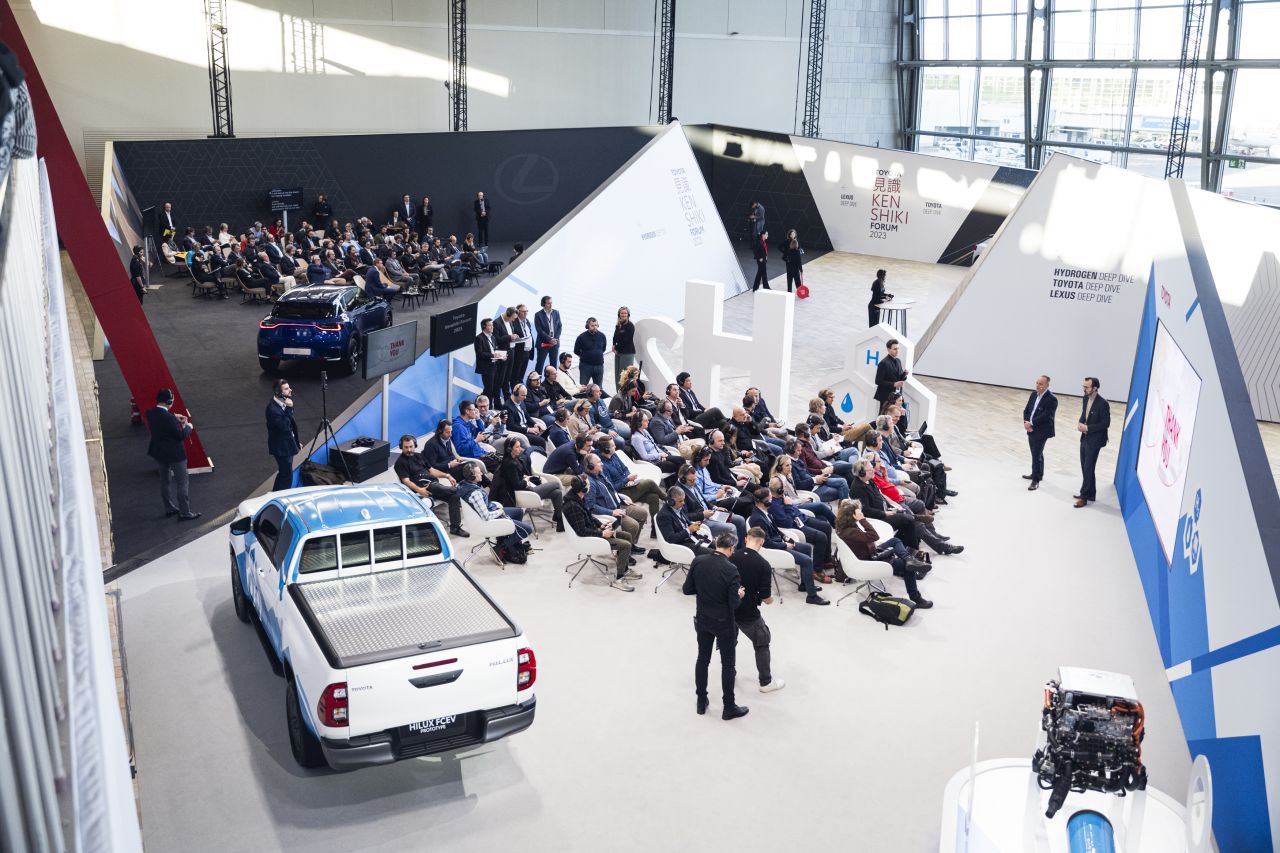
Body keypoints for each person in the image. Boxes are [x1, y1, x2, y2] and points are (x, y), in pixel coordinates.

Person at [683, 532, 750, 720]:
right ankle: (729, 707)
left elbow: (687, 589)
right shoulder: (731, 569)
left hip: (702, 618)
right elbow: (733, 604)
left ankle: (701, 701)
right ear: (731, 548)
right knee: (727, 664)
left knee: (702, 659)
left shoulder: (698, 561)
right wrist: (739, 595)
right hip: (723, 623)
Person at [834, 499, 933, 608]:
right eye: (859, 511)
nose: (861, 513)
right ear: (853, 515)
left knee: (895, 541)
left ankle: (910, 559)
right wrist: (862, 520)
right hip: (870, 560)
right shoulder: (851, 532)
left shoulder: (844, 527)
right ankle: (916, 597)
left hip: (870, 552)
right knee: (907, 567)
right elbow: (874, 536)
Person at [749, 486, 828, 605]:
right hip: (773, 549)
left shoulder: (764, 512)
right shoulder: (757, 519)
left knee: (806, 549)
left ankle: (805, 585)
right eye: (770, 498)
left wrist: (786, 538)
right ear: (765, 501)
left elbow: (776, 530)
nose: (772, 500)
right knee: (806, 561)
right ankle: (812, 597)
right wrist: (784, 545)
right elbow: (767, 543)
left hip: (779, 543)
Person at [563, 476, 637, 591]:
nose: (590, 486)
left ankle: (625, 570)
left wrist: (600, 525)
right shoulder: (573, 506)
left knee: (627, 536)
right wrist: (602, 534)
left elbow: (589, 516)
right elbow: (581, 531)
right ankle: (619, 579)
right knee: (625, 545)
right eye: (588, 485)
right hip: (588, 538)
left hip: (593, 532)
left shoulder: (578, 498)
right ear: (583, 489)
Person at [732, 527, 784, 693]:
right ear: (762, 542)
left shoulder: (732, 556)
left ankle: (729, 673)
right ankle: (766, 682)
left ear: (746, 539)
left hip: (729, 609)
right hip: (748, 612)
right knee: (762, 642)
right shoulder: (763, 565)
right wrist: (772, 599)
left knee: (729, 643)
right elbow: (766, 598)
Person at [394, 434, 470, 538]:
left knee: (454, 497)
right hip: (423, 489)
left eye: (411, 446)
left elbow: (432, 471)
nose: (409, 450)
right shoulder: (400, 463)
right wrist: (419, 490)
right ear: (401, 447)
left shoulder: (419, 456)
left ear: (415, 445)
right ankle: (462, 490)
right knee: (438, 487)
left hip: (434, 485)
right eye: (406, 447)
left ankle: (455, 528)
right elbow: (406, 481)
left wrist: (447, 475)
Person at [457, 462, 531, 564]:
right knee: (527, 530)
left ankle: (505, 539)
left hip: (489, 512)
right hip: (488, 521)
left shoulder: (464, 485)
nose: (481, 474)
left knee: (518, 512)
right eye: (479, 472)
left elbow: (483, 506)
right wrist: (500, 511)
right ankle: (501, 547)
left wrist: (495, 507)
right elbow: (486, 516)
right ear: (472, 476)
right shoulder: (475, 493)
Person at [489, 437, 564, 532]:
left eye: (519, 446)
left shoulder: (514, 459)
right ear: (509, 449)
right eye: (517, 447)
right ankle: (560, 516)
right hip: (524, 492)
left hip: (525, 489)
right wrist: (526, 480)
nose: (520, 449)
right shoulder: (510, 464)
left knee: (557, 493)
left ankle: (560, 521)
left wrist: (525, 478)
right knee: (556, 484)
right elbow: (517, 485)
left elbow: (516, 478)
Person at [146, 388, 198, 521]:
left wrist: (174, 417)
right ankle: (185, 512)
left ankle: (169, 508)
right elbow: (180, 435)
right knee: (182, 482)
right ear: (169, 402)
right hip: (175, 455)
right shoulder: (169, 419)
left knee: (165, 482)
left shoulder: (150, 413)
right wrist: (188, 427)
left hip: (160, 453)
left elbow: (162, 419)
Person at [584, 453, 650, 544]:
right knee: (633, 526)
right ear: (591, 466)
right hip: (610, 511)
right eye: (599, 462)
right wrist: (612, 512)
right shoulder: (590, 483)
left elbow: (611, 490)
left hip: (618, 505)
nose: (602, 464)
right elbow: (590, 506)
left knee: (643, 513)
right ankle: (625, 548)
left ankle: (631, 544)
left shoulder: (600, 474)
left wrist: (622, 499)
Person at [594, 438, 663, 524]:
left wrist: (630, 480)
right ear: (606, 449)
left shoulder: (614, 455)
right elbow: (612, 488)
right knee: (649, 482)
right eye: (613, 445)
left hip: (629, 486)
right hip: (622, 493)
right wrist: (627, 479)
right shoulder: (602, 466)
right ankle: (668, 499)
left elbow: (625, 469)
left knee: (654, 497)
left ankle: (655, 527)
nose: (615, 446)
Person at [1075, 376, 1110, 508]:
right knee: (1085, 466)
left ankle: (1084, 497)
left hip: (1095, 440)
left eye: (1086, 387)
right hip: (1085, 437)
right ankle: (1091, 493)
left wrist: (1088, 428)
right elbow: (1084, 414)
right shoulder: (1085, 398)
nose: (1084, 389)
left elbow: (1106, 423)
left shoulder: (1103, 403)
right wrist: (1080, 423)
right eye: (1083, 386)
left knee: (1088, 467)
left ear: (1095, 388)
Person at [1023, 374, 1057, 490]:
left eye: (1041, 384)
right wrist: (1026, 422)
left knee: (1036, 455)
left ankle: (1035, 480)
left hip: (1042, 431)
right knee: (1036, 453)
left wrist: (1031, 423)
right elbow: (1027, 410)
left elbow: (1046, 416)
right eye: (1037, 383)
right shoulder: (1033, 394)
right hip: (1030, 428)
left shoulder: (1052, 399)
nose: (1038, 385)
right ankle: (1038, 474)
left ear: (1047, 385)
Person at [655, 487, 713, 556]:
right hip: (682, 545)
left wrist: (693, 525)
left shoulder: (678, 507)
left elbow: (683, 521)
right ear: (671, 502)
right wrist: (689, 530)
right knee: (715, 554)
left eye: (683, 500)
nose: (683, 503)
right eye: (680, 501)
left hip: (693, 538)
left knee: (719, 547)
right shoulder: (664, 516)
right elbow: (671, 539)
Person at [265, 379, 300, 492]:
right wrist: (289, 408)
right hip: (281, 448)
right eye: (286, 389)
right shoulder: (273, 410)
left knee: (283, 473)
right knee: (287, 476)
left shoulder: (283, 402)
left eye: (289, 387)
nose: (290, 390)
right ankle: (282, 496)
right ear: (278, 392)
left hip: (287, 443)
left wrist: (295, 442)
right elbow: (284, 427)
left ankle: (275, 493)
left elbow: (290, 426)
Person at [504, 384, 548, 452]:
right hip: (521, 433)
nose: (525, 398)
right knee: (541, 441)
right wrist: (528, 430)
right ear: (515, 394)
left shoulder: (521, 401)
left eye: (525, 395)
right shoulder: (507, 407)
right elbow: (511, 427)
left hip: (527, 427)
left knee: (545, 433)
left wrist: (535, 424)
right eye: (523, 395)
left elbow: (527, 416)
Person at [474, 318, 503, 404]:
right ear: (484, 326)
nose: (492, 327)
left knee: (495, 388)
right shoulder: (479, 338)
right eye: (490, 325)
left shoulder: (493, 337)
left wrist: (501, 356)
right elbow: (480, 353)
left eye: (492, 325)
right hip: (486, 368)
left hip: (495, 366)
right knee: (488, 389)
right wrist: (493, 355)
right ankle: (487, 407)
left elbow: (496, 349)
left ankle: (494, 405)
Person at [574, 317, 607, 390]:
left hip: (599, 366)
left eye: (596, 325)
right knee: (582, 388)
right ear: (587, 326)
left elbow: (603, 349)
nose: (595, 327)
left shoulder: (602, 336)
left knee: (599, 389)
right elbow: (576, 351)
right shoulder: (581, 337)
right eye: (592, 325)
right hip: (585, 366)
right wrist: (585, 356)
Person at [874, 338, 908, 405]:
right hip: (886, 396)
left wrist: (904, 374)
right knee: (885, 412)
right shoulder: (883, 363)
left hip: (897, 396)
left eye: (898, 348)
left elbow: (898, 378)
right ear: (888, 349)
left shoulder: (898, 361)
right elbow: (878, 381)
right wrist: (893, 384)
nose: (897, 351)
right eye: (895, 349)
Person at [534, 295, 562, 374]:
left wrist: (555, 339)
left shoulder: (556, 313)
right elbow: (539, 330)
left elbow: (559, 327)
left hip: (555, 343)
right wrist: (549, 339)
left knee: (554, 365)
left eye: (551, 303)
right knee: (540, 365)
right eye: (548, 303)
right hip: (543, 343)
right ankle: (537, 380)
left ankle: (552, 381)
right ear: (543, 304)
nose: (551, 305)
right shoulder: (538, 315)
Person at [612, 306, 637, 375]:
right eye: (622, 313)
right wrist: (613, 344)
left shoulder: (630, 325)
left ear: (628, 314)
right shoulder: (618, 325)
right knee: (617, 374)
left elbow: (627, 340)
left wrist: (616, 347)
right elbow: (615, 336)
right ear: (619, 314)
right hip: (619, 352)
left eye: (625, 313)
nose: (623, 315)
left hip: (627, 353)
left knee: (624, 376)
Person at [779, 228, 803, 293]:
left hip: (790, 263)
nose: (793, 235)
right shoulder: (788, 242)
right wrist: (801, 269)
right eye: (792, 234)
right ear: (789, 235)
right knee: (796, 278)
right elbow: (799, 261)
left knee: (790, 277)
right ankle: (798, 291)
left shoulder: (795, 243)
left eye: (794, 233)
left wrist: (787, 259)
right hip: (793, 264)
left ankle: (790, 290)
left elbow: (799, 247)